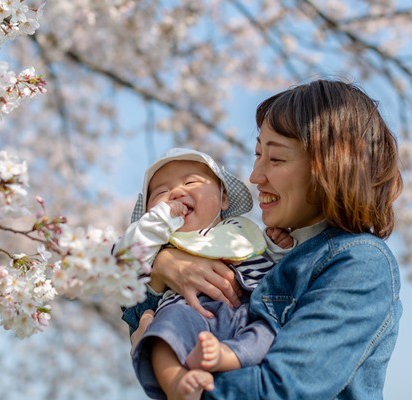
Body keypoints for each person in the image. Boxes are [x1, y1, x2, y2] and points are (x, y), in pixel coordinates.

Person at [123, 79, 404, 400]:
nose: (256, 175)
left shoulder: (358, 262)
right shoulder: (260, 253)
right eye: (258, 155)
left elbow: (282, 390)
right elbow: (146, 303)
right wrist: (162, 264)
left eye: (276, 159)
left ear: (329, 165)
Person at [115, 147, 295, 400]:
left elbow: (272, 269)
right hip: (188, 313)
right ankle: (176, 382)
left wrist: (278, 248)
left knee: (268, 329)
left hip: (247, 311)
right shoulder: (158, 244)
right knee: (162, 334)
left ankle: (226, 356)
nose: (176, 192)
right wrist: (159, 220)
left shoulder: (241, 232)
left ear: (223, 199)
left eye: (190, 181)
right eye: (161, 193)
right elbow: (127, 257)